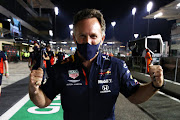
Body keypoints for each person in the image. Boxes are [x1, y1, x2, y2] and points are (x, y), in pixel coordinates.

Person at [29, 9, 164, 120]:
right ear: (74, 38)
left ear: (102, 38)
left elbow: (134, 95)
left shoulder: (116, 66)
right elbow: (44, 100)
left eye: (93, 36)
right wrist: (34, 90)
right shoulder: (61, 68)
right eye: (82, 36)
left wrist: (155, 85)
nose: (88, 41)